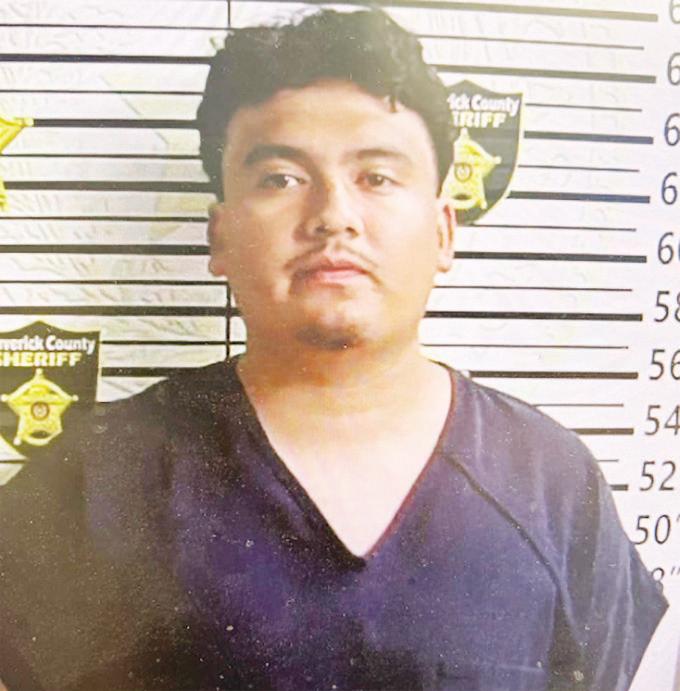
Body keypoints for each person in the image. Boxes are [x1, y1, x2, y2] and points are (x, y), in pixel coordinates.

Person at [0, 7, 667, 691]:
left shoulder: (551, 484)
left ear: (443, 231)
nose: (333, 216)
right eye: (280, 178)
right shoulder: (99, 477)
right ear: (220, 237)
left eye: (376, 177)